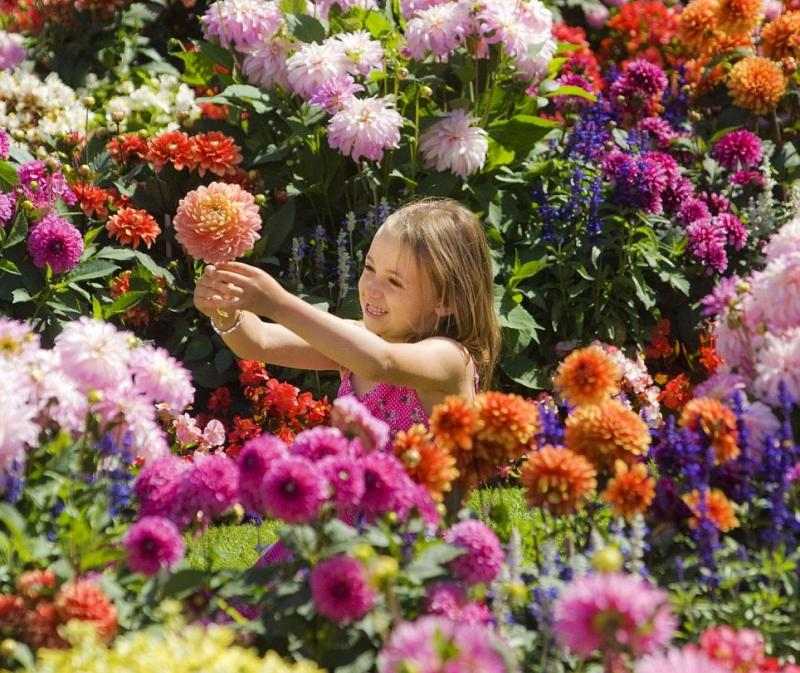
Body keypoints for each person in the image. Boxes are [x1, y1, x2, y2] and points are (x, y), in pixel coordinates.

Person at [193, 198, 501, 436]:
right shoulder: (358, 342)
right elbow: (258, 342)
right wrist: (225, 308)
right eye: (369, 268)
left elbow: (382, 362)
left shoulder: (450, 359)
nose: (372, 288)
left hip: (420, 516)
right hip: (361, 515)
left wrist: (278, 303)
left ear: (445, 300)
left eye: (394, 281)